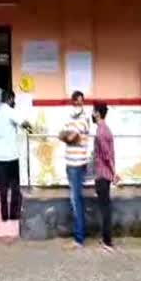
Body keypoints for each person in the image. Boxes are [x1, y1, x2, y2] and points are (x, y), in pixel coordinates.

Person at [0, 90, 32, 221]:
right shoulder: (10, 111)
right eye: (13, 99)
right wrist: (30, 126)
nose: (14, 102)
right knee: (14, 185)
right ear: (10, 99)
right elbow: (24, 123)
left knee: (2, 187)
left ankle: (4, 215)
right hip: (11, 155)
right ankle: (13, 214)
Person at [59, 91, 90, 248]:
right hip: (69, 163)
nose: (79, 104)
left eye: (81, 102)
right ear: (73, 102)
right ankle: (79, 234)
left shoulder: (85, 118)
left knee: (76, 199)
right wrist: (68, 136)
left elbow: (72, 137)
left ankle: (79, 237)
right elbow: (61, 135)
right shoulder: (68, 117)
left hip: (78, 164)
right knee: (75, 199)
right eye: (77, 102)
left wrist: (69, 136)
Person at [92, 102, 119, 252]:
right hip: (105, 174)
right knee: (105, 207)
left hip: (103, 174)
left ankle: (107, 241)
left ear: (97, 113)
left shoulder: (101, 132)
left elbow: (106, 155)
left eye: (93, 111)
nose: (92, 114)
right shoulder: (105, 129)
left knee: (105, 208)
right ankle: (105, 239)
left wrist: (114, 173)